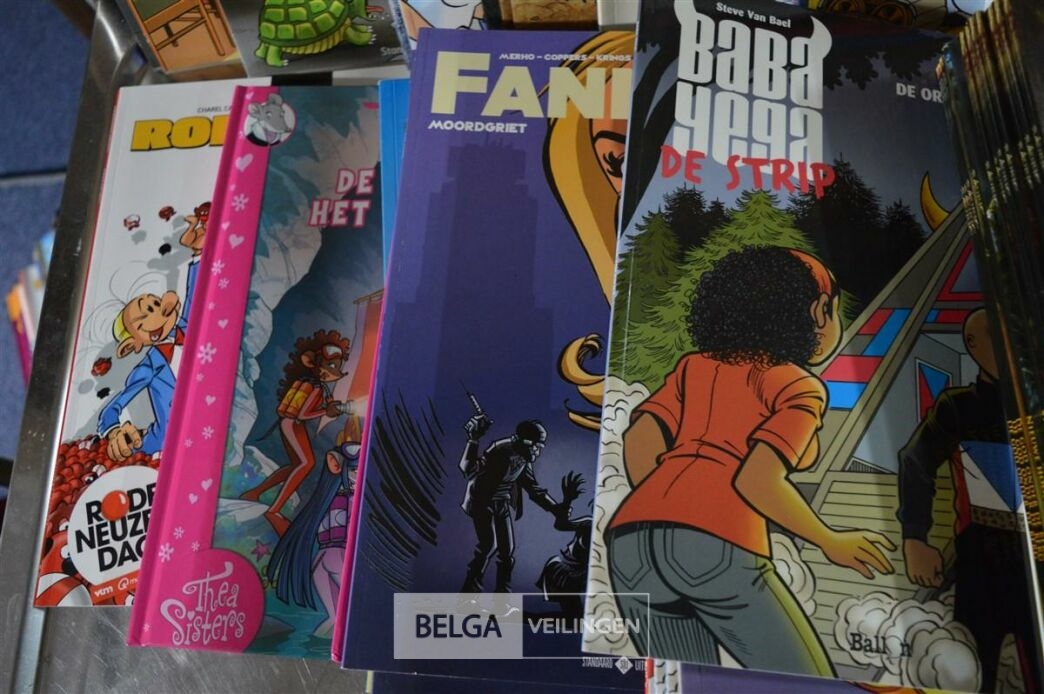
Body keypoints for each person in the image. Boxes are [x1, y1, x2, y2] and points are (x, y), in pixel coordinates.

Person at [606, 245, 895, 674]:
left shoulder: (694, 367)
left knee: (688, 679)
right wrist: (829, 540)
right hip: (717, 543)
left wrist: (670, 508)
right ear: (819, 312)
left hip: (629, 544)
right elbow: (756, 480)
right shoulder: (798, 386)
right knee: (807, 681)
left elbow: (639, 439)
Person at [897, 307, 1041, 692]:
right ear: (973, 344)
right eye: (996, 336)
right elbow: (915, 461)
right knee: (975, 670)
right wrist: (915, 538)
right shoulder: (958, 407)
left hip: (1036, 554)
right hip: (981, 558)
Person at [459, 416, 571, 593]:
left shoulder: (524, 458)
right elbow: (468, 469)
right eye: (535, 446)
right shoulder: (500, 449)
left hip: (501, 503)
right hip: (482, 502)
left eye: (540, 447)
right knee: (488, 545)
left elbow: (533, 490)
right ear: (524, 442)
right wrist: (473, 440)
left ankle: (502, 595)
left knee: (507, 551)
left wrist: (555, 509)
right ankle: (469, 591)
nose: (537, 451)